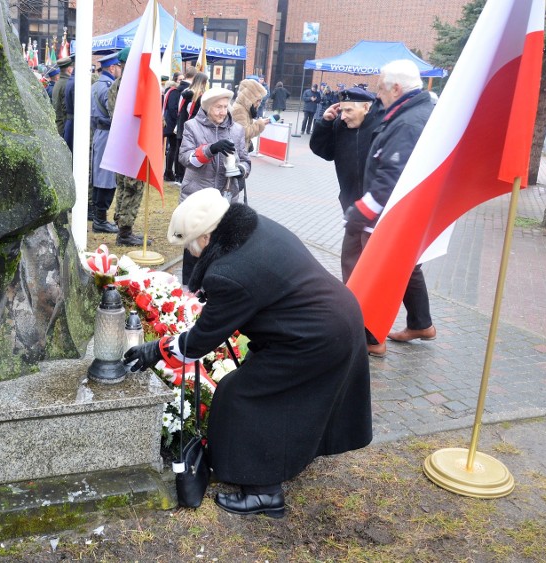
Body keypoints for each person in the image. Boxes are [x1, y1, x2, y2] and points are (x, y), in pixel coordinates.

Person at [124, 188, 373, 519]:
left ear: (209, 235)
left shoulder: (230, 273)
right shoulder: (252, 228)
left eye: (191, 243)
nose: (190, 251)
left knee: (243, 396)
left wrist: (153, 350)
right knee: (276, 394)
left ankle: (264, 494)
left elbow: (199, 343)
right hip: (330, 318)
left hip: (316, 336)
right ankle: (286, 456)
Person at [344, 59, 436, 349]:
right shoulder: (413, 111)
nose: (378, 94)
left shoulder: (408, 120)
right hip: (406, 211)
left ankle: (370, 335)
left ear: (396, 88)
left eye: (381, 88)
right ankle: (421, 323)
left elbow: (391, 176)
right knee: (407, 267)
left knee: (369, 266)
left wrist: (361, 211)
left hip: (389, 214)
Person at [309, 87, 385, 356]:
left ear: (367, 107)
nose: (344, 116)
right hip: (353, 206)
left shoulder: (383, 124)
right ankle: (359, 322)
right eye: (342, 110)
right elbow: (322, 150)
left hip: (379, 208)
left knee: (375, 269)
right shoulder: (340, 124)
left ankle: (375, 333)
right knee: (351, 263)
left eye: (349, 110)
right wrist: (325, 123)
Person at [177, 87, 250, 284]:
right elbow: (185, 158)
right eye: (218, 107)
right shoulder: (192, 126)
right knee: (195, 248)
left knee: (220, 248)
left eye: (225, 107)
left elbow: (245, 160)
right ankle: (189, 292)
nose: (222, 112)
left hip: (226, 198)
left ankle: (214, 291)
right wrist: (210, 150)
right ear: (207, 107)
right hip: (197, 198)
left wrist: (240, 170)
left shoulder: (237, 130)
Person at [107, 47, 150, 246]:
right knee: (133, 187)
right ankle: (125, 232)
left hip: (120, 143)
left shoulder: (116, 85)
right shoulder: (133, 87)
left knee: (124, 186)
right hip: (132, 144)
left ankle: (123, 228)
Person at [90, 52, 122, 233]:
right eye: (118, 67)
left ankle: (98, 218)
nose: (119, 70)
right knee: (107, 179)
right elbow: (115, 115)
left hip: (100, 133)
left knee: (100, 176)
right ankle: (100, 220)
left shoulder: (95, 85)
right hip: (108, 134)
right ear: (112, 68)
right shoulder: (109, 87)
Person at [175, 72, 209, 182]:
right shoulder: (199, 96)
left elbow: (181, 110)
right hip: (193, 126)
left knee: (181, 150)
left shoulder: (186, 93)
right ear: (203, 82)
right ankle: (184, 176)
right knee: (190, 152)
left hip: (183, 124)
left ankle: (178, 176)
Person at [165, 67, 194, 182]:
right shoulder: (175, 91)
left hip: (176, 124)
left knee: (174, 148)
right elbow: (173, 108)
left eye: (182, 78)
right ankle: (168, 171)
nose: (180, 81)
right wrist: (176, 122)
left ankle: (170, 172)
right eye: (179, 79)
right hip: (173, 124)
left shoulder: (177, 90)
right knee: (173, 149)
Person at [230, 78, 268, 154]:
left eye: (260, 100)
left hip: (240, 149)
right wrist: (260, 124)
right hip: (238, 151)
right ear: (249, 98)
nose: (259, 103)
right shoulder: (240, 110)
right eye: (257, 100)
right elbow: (243, 133)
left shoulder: (245, 108)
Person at [51, 56, 74, 140]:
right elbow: (65, 108)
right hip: (64, 126)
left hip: (59, 125)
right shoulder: (67, 84)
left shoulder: (58, 83)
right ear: (69, 69)